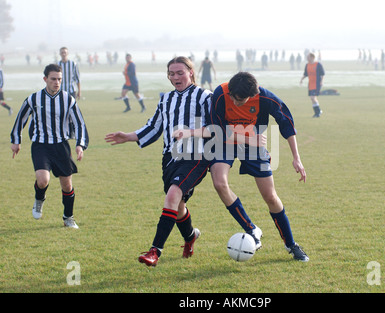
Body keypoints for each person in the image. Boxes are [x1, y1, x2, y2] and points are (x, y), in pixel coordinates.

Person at [176, 72, 309, 262]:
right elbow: (217, 130)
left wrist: (297, 158)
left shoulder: (264, 97)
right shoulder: (221, 95)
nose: (234, 101)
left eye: (240, 100)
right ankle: (251, 228)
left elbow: (286, 122)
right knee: (220, 183)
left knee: (270, 196)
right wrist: (249, 138)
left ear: (252, 95)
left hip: (253, 145)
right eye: (233, 96)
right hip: (225, 142)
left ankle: (291, 244)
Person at [105, 57, 211, 267]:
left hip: (195, 157)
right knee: (178, 205)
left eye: (180, 72)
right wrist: (128, 136)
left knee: (173, 195)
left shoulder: (205, 96)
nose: (175, 77)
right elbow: (154, 127)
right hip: (170, 158)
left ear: (191, 72)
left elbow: (215, 128)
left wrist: (191, 134)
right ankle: (190, 237)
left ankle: (155, 251)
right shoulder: (166, 99)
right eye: (171, 74)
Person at [10, 64, 89, 229]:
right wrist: (16, 140)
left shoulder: (68, 99)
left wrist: (80, 145)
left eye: (59, 79)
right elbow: (21, 118)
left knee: (67, 185)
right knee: (43, 180)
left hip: (61, 146)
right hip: (41, 145)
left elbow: (79, 123)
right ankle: (39, 199)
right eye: (53, 79)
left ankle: (68, 218)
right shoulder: (34, 98)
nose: (57, 82)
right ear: (45, 79)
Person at [300, 53, 325, 118]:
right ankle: (317, 112)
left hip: (317, 84)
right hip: (310, 84)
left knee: (313, 97)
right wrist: (301, 79)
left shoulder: (318, 64)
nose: (307, 58)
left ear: (312, 57)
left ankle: (318, 112)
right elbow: (305, 74)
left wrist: (322, 81)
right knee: (312, 98)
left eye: (308, 57)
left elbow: (322, 74)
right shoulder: (307, 65)